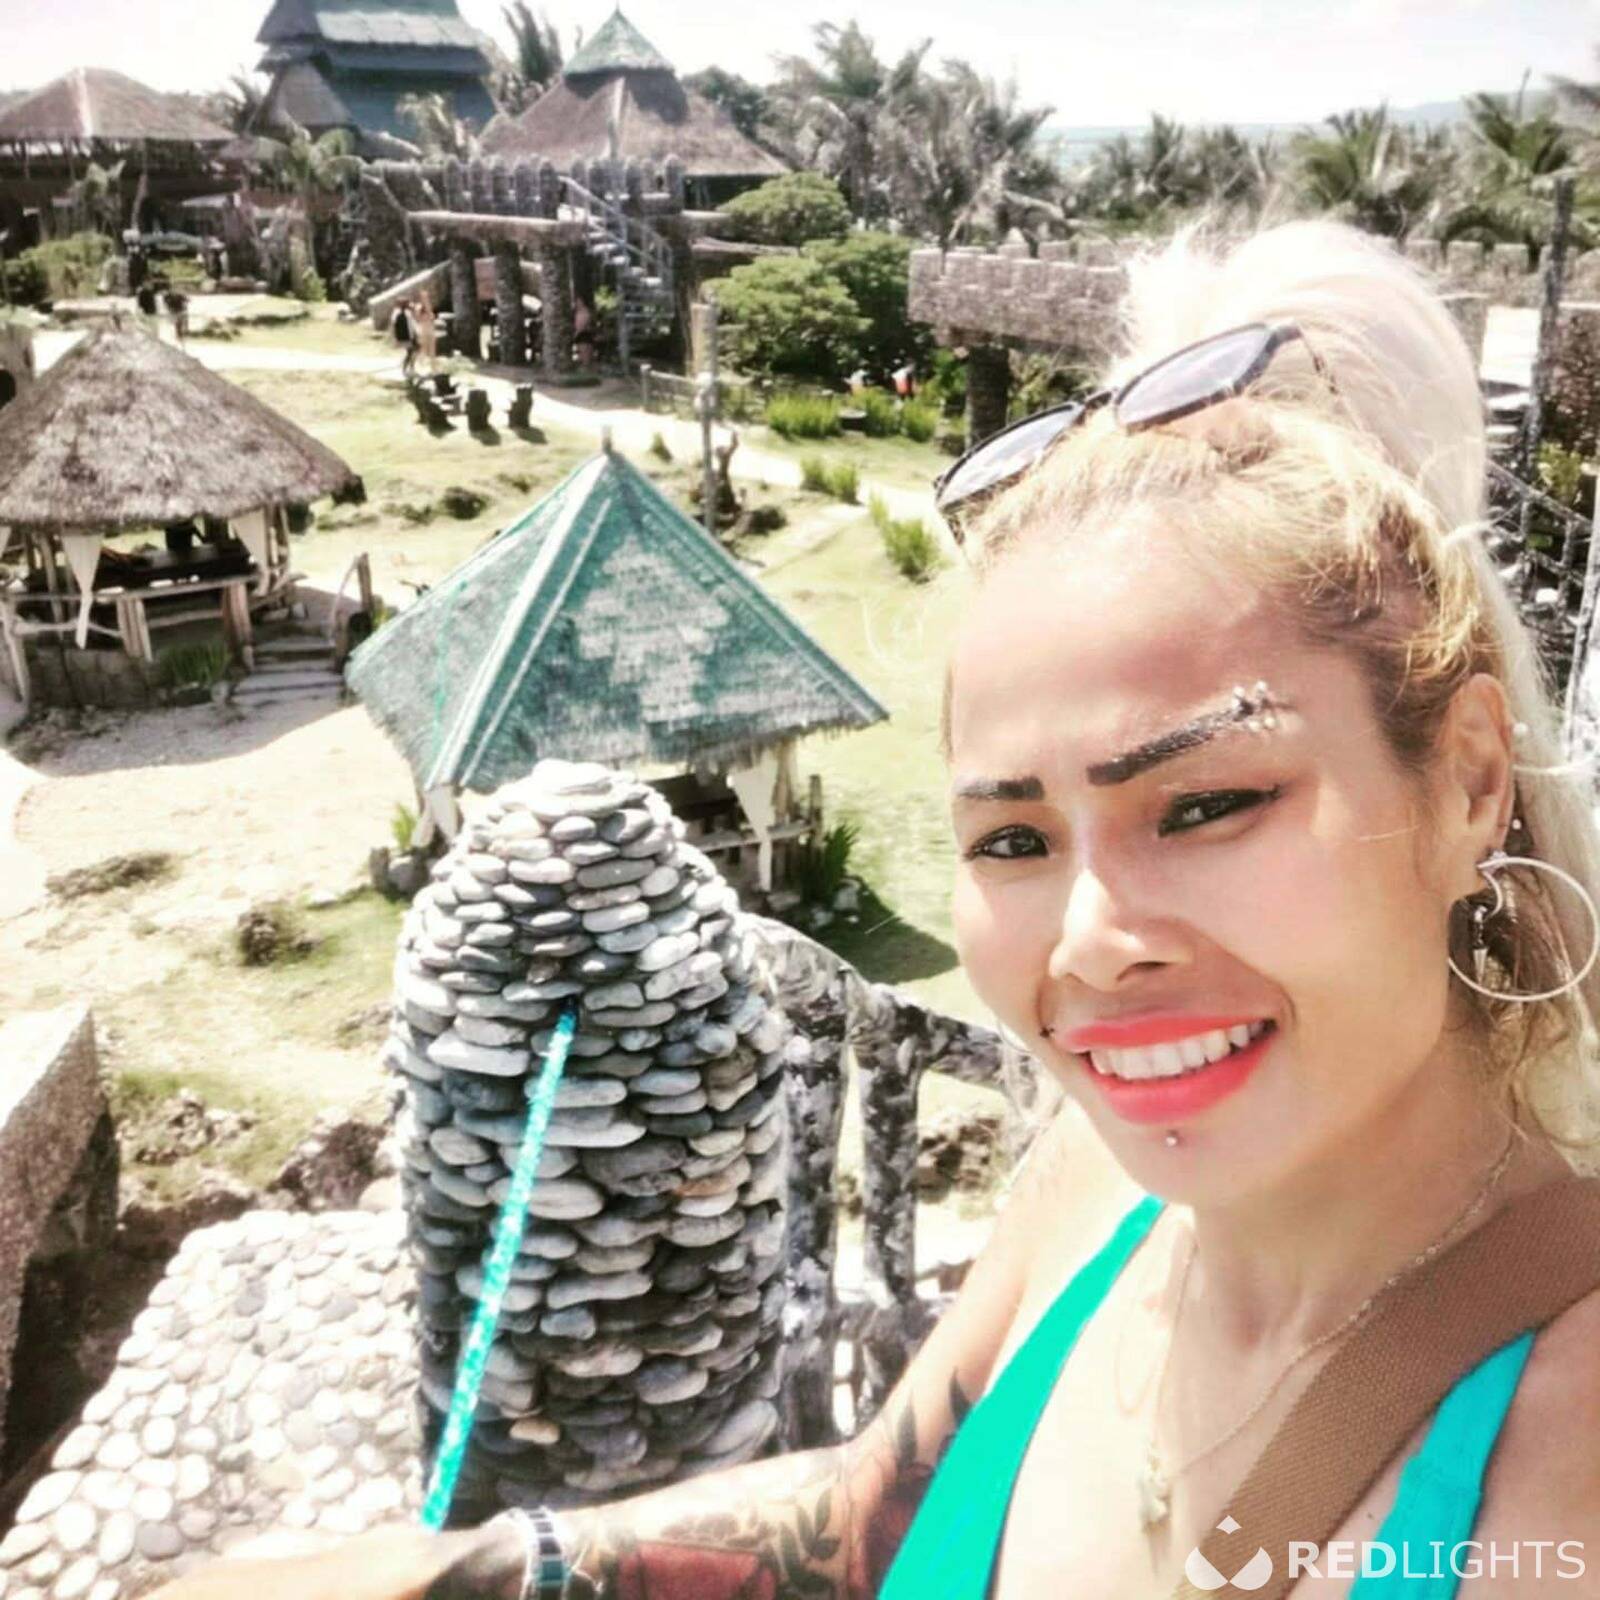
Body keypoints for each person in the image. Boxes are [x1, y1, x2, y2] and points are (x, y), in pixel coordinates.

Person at [145, 218, 1600, 1600]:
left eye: (1207, 805)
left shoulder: (1564, 1471)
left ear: (1470, 782)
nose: (1090, 940)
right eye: (1013, 838)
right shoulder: (1102, 1198)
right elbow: (867, 1515)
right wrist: (463, 1570)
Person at [414, 289, 439, 378]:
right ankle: (418, 366)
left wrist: (427, 306)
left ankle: (434, 369)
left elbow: (432, 317)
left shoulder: (429, 307)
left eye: (426, 297)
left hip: (430, 330)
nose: (425, 298)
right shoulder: (418, 307)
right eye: (424, 297)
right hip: (423, 330)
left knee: (433, 351)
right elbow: (418, 318)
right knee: (423, 350)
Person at [393, 296, 419, 379]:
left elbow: (412, 324)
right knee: (410, 352)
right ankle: (406, 369)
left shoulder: (408, 312)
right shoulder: (397, 313)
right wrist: (397, 338)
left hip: (411, 335)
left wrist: (415, 334)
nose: (407, 305)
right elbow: (395, 326)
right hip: (405, 337)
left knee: (414, 352)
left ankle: (410, 368)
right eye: (405, 304)